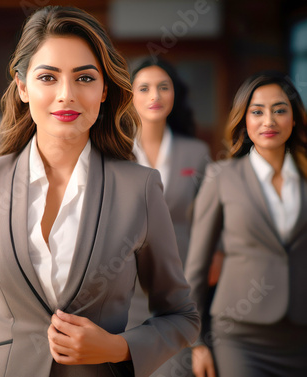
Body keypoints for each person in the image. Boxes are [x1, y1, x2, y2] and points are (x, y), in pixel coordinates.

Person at [0, 6, 200, 377]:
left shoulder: (139, 187)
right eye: (48, 78)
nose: (66, 95)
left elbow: (181, 316)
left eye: (84, 78)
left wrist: (119, 347)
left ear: (105, 89)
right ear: (23, 87)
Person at [185, 71, 307, 377]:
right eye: (257, 112)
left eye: (280, 110)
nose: (269, 121)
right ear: (244, 120)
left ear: (294, 119)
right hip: (240, 337)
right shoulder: (221, 177)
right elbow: (196, 268)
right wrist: (197, 342)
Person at [126, 57, 210, 376]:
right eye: (144, 88)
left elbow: (208, 222)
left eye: (164, 87)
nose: (155, 96)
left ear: (175, 94)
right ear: (130, 95)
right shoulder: (114, 153)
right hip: (125, 287)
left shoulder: (196, 153)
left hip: (182, 284)